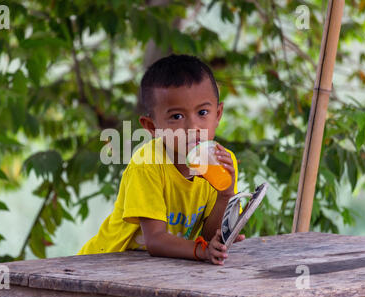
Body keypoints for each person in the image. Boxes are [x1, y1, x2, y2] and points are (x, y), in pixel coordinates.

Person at [78, 54, 245, 265]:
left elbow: (209, 234)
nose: (193, 127)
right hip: (102, 264)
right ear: (152, 127)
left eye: (203, 112)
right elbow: (155, 240)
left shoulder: (221, 161)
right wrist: (202, 251)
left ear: (218, 114)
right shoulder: (147, 164)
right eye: (177, 117)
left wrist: (226, 196)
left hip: (155, 269)